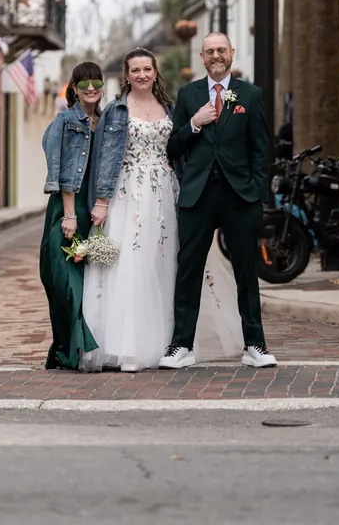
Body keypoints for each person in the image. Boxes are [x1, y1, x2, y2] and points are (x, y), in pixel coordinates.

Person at [82, 47, 242, 372]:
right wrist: (101, 202)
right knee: (129, 266)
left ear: (155, 72)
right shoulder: (116, 110)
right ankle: (127, 347)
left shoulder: (170, 107)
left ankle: (170, 344)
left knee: (166, 265)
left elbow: (181, 147)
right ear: (126, 76)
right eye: (135, 70)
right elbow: (105, 157)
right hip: (128, 194)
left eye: (147, 69)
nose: (142, 75)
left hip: (168, 193)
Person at [159, 31, 277, 370]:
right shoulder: (188, 94)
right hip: (197, 195)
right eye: (209, 51)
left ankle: (255, 344)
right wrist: (194, 124)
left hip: (239, 196)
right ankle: (181, 346)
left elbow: (260, 150)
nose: (215, 56)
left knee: (245, 271)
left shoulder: (251, 96)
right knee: (189, 271)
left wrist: (257, 194)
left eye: (221, 50)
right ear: (202, 56)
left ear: (232, 54)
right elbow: (173, 148)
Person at [39, 62, 104, 370]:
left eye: (96, 82)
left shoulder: (106, 122)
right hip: (67, 210)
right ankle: (66, 348)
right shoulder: (65, 121)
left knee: (89, 283)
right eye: (84, 83)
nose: (91, 88)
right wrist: (68, 215)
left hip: (94, 210)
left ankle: (79, 350)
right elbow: (59, 168)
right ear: (74, 88)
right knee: (63, 282)